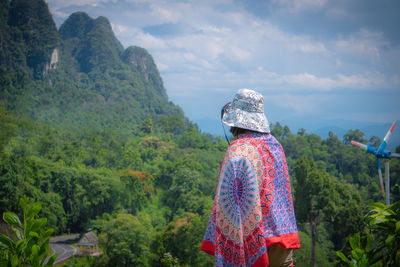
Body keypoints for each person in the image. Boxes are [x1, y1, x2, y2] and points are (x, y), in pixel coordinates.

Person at [201, 89, 300, 267]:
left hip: (253, 242)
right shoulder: (275, 145)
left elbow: (228, 203)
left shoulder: (238, 150)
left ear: (234, 122)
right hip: (282, 240)